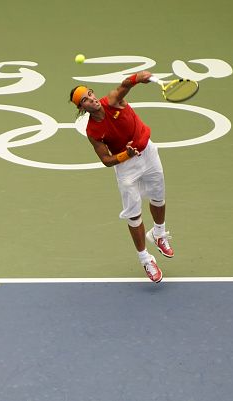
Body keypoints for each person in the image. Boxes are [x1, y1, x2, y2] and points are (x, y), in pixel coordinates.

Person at [69, 70, 173, 283]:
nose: (92, 99)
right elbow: (106, 160)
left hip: (148, 152)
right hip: (126, 167)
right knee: (134, 215)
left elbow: (125, 85)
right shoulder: (93, 131)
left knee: (158, 198)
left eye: (90, 94)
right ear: (81, 109)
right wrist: (126, 154)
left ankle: (159, 233)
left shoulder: (113, 101)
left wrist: (138, 78)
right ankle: (145, 259)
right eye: (85, 100)